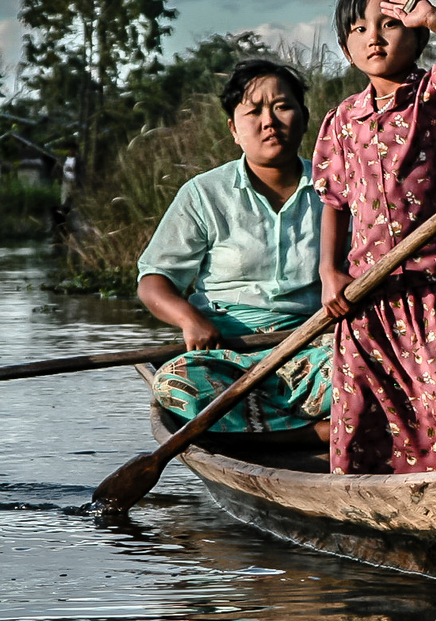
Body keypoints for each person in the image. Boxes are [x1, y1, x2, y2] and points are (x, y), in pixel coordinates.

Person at [313, 0, 436, 475]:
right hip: (364, 294)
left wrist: (435, 19)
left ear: (416, 38)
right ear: (346, 47)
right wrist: (330, 273)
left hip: (430, 286)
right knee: (364, 407)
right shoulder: (341, 120)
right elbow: (334, 201)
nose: (373, 37)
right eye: (357, 29)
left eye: (390, 24)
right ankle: (363, 499)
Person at [137, 58, 332, 440]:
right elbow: (154, 280)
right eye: (253, 111)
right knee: (175, 383)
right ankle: (319, 433)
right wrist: (190, 320)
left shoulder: (336, 189)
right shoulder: (203, 194)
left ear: (305, 118)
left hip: (312, 349)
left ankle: (256, 430)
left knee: (370, 364)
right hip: (227, 354)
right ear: (234, 130)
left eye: (281, 106)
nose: (269, 121)